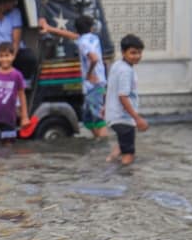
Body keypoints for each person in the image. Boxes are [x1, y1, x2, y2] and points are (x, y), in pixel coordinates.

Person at [39, 14, 108, 138]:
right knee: (88, 119)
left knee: (97, 119)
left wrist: (89, 74)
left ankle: (102, 145)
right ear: (91, 28)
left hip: (94, 85)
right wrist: (49, 28)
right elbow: (70, 35)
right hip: (96, 84)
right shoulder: (92, 38)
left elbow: (94, 58)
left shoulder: (83, 42)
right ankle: (98, 142)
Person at [105, 34, 148, 165]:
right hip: (123, 118)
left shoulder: (117, 65)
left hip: (114, 115)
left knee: (121, 146)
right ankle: (125, 181)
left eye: (139, 53)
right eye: (133, 53)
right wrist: (137, 118)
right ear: (124, 52)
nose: (137, 56)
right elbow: (123, 96)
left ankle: (107, 167)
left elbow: (111, 88)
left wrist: (104, 107)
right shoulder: (126, 71)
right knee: (128, 156)